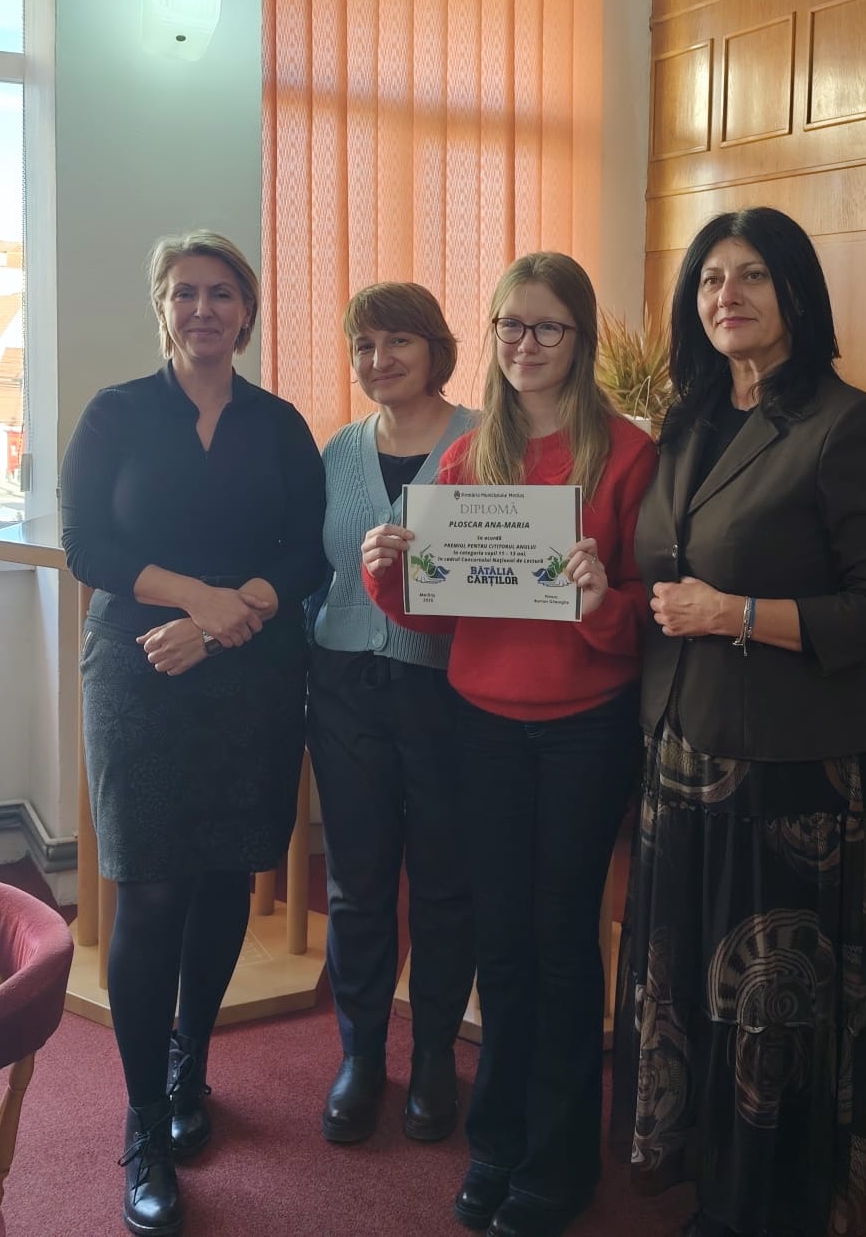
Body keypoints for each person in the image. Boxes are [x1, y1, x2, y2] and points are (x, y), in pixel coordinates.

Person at [619, 206, 866, 1237]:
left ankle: (772, 1207)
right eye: (711, 279)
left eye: (752, 275)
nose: (728, 296)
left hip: (788, 779)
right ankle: (716, 1182)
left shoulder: (851, 425)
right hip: (678, 756)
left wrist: (738, 615)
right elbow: (665, 575)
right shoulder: (688, 422)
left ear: (797, 292)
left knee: (771, 1009)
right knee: (692, 991)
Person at [363, 252, 657, 1237]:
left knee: (562, 942)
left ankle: (560, 1158)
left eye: (547, 327)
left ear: (580, 338)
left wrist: (599, 601)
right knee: (500, 937)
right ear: (490, 337)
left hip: (585, 729)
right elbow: (442, 617)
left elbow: (645, 617)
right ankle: (497, 1140)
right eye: (510, 326)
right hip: (481, 725)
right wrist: (388, 575)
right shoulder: (466, 457)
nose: (526, 345)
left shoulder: (627, 455)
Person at [60, 230, 325, 1237]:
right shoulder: (116, 413)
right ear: (162, 309)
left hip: (252, 670)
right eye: (185, 293)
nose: (203, 309)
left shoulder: (279, 423)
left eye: (221, 293)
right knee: (153, 886)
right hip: (140, 666)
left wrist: (229, 616)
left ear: (246, 312)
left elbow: (308, 552)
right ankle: (143, 1123)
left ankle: (190, 1069)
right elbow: (90, 544)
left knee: (222, 877)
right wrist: (197, 600)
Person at [307, 282, 477, 1145]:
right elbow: (314, 571)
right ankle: (362, 1055)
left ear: (435, 347)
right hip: (344, 686)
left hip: (448, 688)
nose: (380, 360)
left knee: (445, 882)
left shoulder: (484, 439)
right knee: (358, 882)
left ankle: (436, 1054)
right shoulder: (337, 450)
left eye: (398, 341)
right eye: (364, 345)